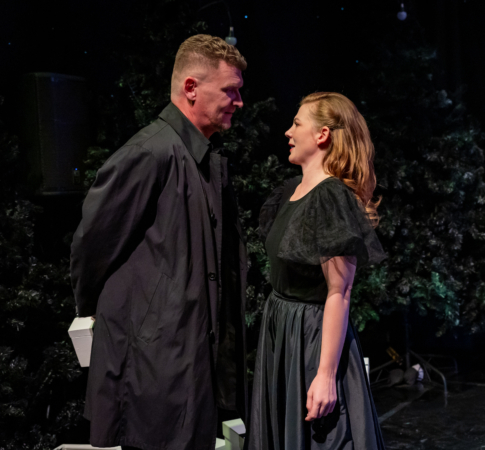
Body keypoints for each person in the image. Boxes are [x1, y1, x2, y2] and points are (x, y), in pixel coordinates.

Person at [70, 34, 249, 450]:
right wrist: (101, 316)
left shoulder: (200, 158)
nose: (239, 102)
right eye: (230, 90)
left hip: (187, 361)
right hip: (156, 368)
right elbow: (93, 245)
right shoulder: (150, 153)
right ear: (191, 88)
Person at [245, 92, 387, 449]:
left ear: (322, 135)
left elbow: (340, 291)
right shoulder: (291, 191)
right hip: (281, 329)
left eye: (297, 124)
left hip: (311, 337)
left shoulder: (330, 197)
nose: (288, 132)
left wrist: (325, 375)